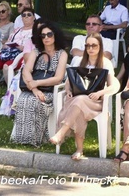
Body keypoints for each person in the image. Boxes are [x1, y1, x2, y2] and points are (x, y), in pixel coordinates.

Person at [49, 33, 118, 161]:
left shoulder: (105, 63)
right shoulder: (80, 61)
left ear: (100, 46)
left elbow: (114, 86)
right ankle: (79, 150)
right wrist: (68, 90)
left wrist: (100, 93)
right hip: (78, 100)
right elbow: (70, 80)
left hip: (95, 101)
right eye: (88, 45)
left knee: (79, 101)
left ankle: (62, 132)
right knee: (79, 106)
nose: (90, 48)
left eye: (94, 45)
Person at [11, 19, 68, 147]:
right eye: (43, 35)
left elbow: (58, 78)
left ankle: (36, 139)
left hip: (51, 90)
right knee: (23, 100)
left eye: (49, 34)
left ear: (55, 35)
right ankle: (22, 138)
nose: (46, 38)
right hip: (33, 89)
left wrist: (36, 83)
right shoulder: (35, 52)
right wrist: (35, 89)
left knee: (35, 102)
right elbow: (26, 71)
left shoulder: (62, 54)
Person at [0, 7, 36, 98]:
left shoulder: (36, 31)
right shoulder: (17, 30)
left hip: (23, 55)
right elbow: (8, 41)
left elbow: (35, 48)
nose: (26, 17)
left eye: (29, 15)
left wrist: (21, 47)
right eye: (24, 15)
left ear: (34, 17)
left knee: (7, 67)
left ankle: (10, 93)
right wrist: (7, 45)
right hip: (9, 52)